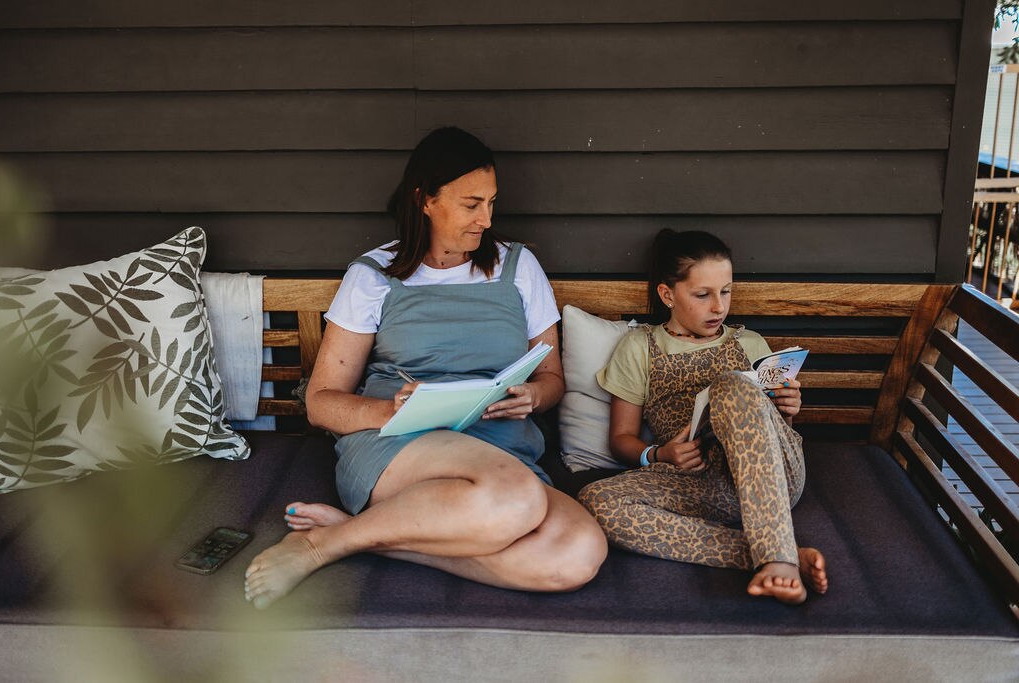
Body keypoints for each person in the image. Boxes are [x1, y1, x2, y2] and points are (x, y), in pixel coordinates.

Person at [244, 127, 607, 609]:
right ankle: (317, 548)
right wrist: (391, 410)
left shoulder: (518, 267)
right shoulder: (373, 276)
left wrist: (535, 396)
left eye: (491, 203)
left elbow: (551, 379)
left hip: (497, 445)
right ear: (425, 200)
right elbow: (321, 403)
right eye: (471, 204)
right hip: (401, 443)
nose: (486, 219)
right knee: (517, 499)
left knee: (578, 554)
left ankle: (358, 535)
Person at [577, 229, 828, 604]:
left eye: (726, 291)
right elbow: (621, 439)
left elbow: (774, 433)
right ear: (668, 295)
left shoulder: (749, 344)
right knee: (596, 502)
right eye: (703, 295)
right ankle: (775, 554)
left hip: (772, 478)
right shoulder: (639, 346)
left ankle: (779, 560)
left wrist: (788, 410)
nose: (718, 307)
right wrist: (658, 454)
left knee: (730, 386)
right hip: (699, 482)